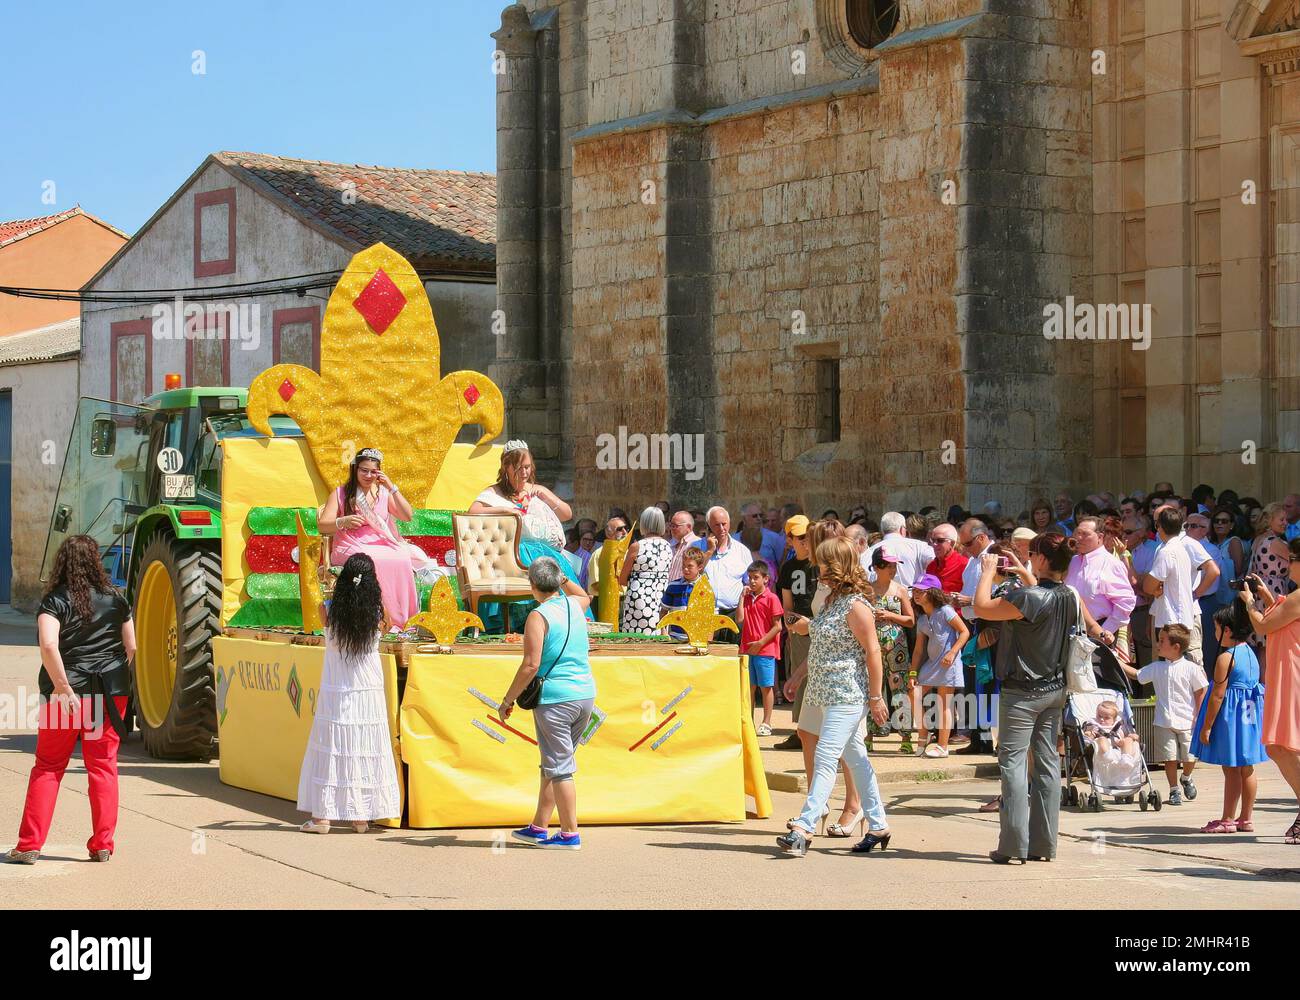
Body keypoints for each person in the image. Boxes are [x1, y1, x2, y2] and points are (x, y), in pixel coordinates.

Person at [974, 532, 1110, 864]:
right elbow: (1041, 591)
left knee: (1014, 766)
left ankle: (1013, 845)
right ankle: (1043, 845)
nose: (1029, 557)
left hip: (1021, 693)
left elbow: (981, 607)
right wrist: (1024, 572)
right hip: (1054, 690)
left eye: (1033, 553)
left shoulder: (1028, 598)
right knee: (1048, 766)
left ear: (1045, 559)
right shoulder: (1070, 596)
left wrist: (987, 572)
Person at [7, 535, 135, 864]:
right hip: (108, 694)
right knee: (102, 766)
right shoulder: (116, 599)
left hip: (67, 695)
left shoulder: (55, 601)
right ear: (95, 561)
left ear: (62, 562)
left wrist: (64, 688)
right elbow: (131, 647)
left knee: (48, 767)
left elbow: (49, 645)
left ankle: (29, 845)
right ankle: (103, 844)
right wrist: (113, 676)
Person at [777, 538, 891, 857]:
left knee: (826, 756)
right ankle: (879, 824)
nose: (819, 569)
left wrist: (875, 696)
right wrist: (799, 674)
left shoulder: (856, 605)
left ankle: (804, 826)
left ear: (838, 566)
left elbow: (873, 652)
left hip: (847, 694)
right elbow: (824, 643)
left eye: (825, 563)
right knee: (856, 758)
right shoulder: (831, 602)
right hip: (825, 692)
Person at [297, 554, 401, 834]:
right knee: (364, 747)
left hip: (337, 687)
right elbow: (388, 627)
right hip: (367, 690)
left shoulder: (327, 609)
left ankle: (322, 818)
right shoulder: (380, 614)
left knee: (332, 748)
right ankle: (360, 818)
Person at [501, 557, 596, 850]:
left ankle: (570, 833)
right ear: (557, 581)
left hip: (556, 698)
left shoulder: (538, 616)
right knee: (554, 763)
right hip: (584, 695)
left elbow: (531, 665)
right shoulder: (575, 605)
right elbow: (584, 594)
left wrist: (508, 699)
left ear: (532, 585)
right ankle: (539, 826)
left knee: (560, 767)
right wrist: (560, 575)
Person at [320, 447, 439, 628]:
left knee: (402, 557)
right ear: (355, 470)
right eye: (364, 470)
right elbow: (322, 524)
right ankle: (378, 619)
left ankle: (403, 621)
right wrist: (342, 521)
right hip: (350, 543)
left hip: (381, 542)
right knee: (373, 560)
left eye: (373, 471)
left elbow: (407, 515)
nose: (368, 475)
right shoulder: (340, 493)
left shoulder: (383, 493)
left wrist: (392, 488)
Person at [1239, 539, 1300, 843]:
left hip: (1292, 675)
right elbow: (1282, 619)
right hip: (1287, 672)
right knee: (1280, 745)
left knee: (1281, 745)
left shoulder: (1298, 597)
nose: (1289, 565)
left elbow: (1263, 627)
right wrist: (1265, 594)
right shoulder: (1292, 598)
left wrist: (1250, 603)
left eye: (1293, 560)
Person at [1193, 604, 1267, 833]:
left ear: (1227, 630)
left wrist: (1206, 727)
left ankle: (1227, 819)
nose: (1214, 633)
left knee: (1231, 768)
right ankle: (1246, 818)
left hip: (1231, 719)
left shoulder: (1226, 658)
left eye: (1216, 628)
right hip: (1250, 717)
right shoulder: (1250, 653)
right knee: (1247, 767)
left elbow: (1217, 695)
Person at [1132, 624, 1205, 806]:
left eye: (1162, 640)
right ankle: (1174, 790)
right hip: (1164, 720)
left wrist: (1199, 714)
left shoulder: (1191, 668)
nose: (1157, 644)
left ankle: (1186, 777)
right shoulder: (1157, 667)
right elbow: (1138, 675)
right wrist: (1117, 661)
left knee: (1190, 757)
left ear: (1176, 647)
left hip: (1188, 719)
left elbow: (1201, 691)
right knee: (1169, 757)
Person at [910, 574, 970, 759]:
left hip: (948, 664)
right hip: (931, 664)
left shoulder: (946, 611)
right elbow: (919, 650)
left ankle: (943, 747)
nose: (916, 594)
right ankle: (923, 734)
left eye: (921, 591)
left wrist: (952, 653)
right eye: (915, 591)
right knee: (913, 693)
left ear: (932, 593)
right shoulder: (921, 619)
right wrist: (912, 673)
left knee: (945, 704)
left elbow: (964, 632)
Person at [866, 548, 916, 753]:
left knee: (900, 690)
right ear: (877, 567)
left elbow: (911, 620)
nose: (893, 570)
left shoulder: (900, 590)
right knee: (872, 689)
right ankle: (868, 737)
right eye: (889, 566)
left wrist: (889, 615)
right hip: (873, 645)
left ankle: (905, 738)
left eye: (895, 566)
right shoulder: (868, 590)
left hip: (897, 647)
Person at [776, 514, 815, 749]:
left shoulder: (821, 564)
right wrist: (792, 626)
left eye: (808, 536)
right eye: (800, 537)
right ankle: (802, 730)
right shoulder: (789, 568)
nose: (805, 541)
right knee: (799, 680)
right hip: (800, 631)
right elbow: (787, 606)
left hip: (821, 626)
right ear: (790, 539)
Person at [739, 561, 784, 736]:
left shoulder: (772, 598)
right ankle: (749, 720)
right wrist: (741, 598)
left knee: (766, 687)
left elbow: (778, 626)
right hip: (748, 649)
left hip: (765, 650)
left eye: (756, 578)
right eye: (750, 578)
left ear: (766, 579)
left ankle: (766, 722)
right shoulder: (748, 597)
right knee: (750, 686)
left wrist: (761, 642)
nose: (752, 581)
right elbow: (740, 619)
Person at [693, 506, 752, 637]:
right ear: (709, 527)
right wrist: (709, 551)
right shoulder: (696, 547)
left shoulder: (742, 551)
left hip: (733, 614)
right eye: (716, 525)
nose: (721, 529)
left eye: (724, 524)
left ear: (729, 523)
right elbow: (692, 575)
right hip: (705, 613)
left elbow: (749, 583)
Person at [618, 507, 672, 633]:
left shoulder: (637, 546)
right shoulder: (669, 547)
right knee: (659, 633)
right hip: (662, 597)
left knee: (637, 636)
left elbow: (622, 579)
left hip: (639, 597)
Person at [864, 511, 934, 588]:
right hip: (913, 596)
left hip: (881, 596)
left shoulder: (869, 551)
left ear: (882, 531)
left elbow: (864, 577)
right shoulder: (919, 546)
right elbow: (933, 562)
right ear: (902, 529)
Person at [1249, 502, 1294, 610]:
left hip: (1261, 588)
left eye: (1286, 520)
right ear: (1269, 520)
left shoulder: (1258, 539)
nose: (1285, 523)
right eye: (1281, 519)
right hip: (1274, 589)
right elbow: (1296, 560)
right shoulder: (1273, 542)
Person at [661, 546, 707, 641]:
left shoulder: (705, 588)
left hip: (697, 639)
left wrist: (707, 640)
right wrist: (663, 630)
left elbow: (710, 616)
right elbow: (664, 610)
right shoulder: (673, 586)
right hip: (674, 637)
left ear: (700, 567)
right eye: (683, 566)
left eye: (690, 566)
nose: (685, 569)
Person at [925, 522, 968, 594]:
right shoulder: (931, 566)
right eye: (932, 540)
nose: (934, 544)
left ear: (952, 543)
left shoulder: (964, 565)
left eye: (940, 541)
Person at [666, 509, 700, 581]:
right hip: (669, 589)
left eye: (675, 526)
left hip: (685, 589)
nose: (671, 529)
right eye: (671, 525)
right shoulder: (670, 544)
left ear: (689, 527)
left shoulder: (696, 544)